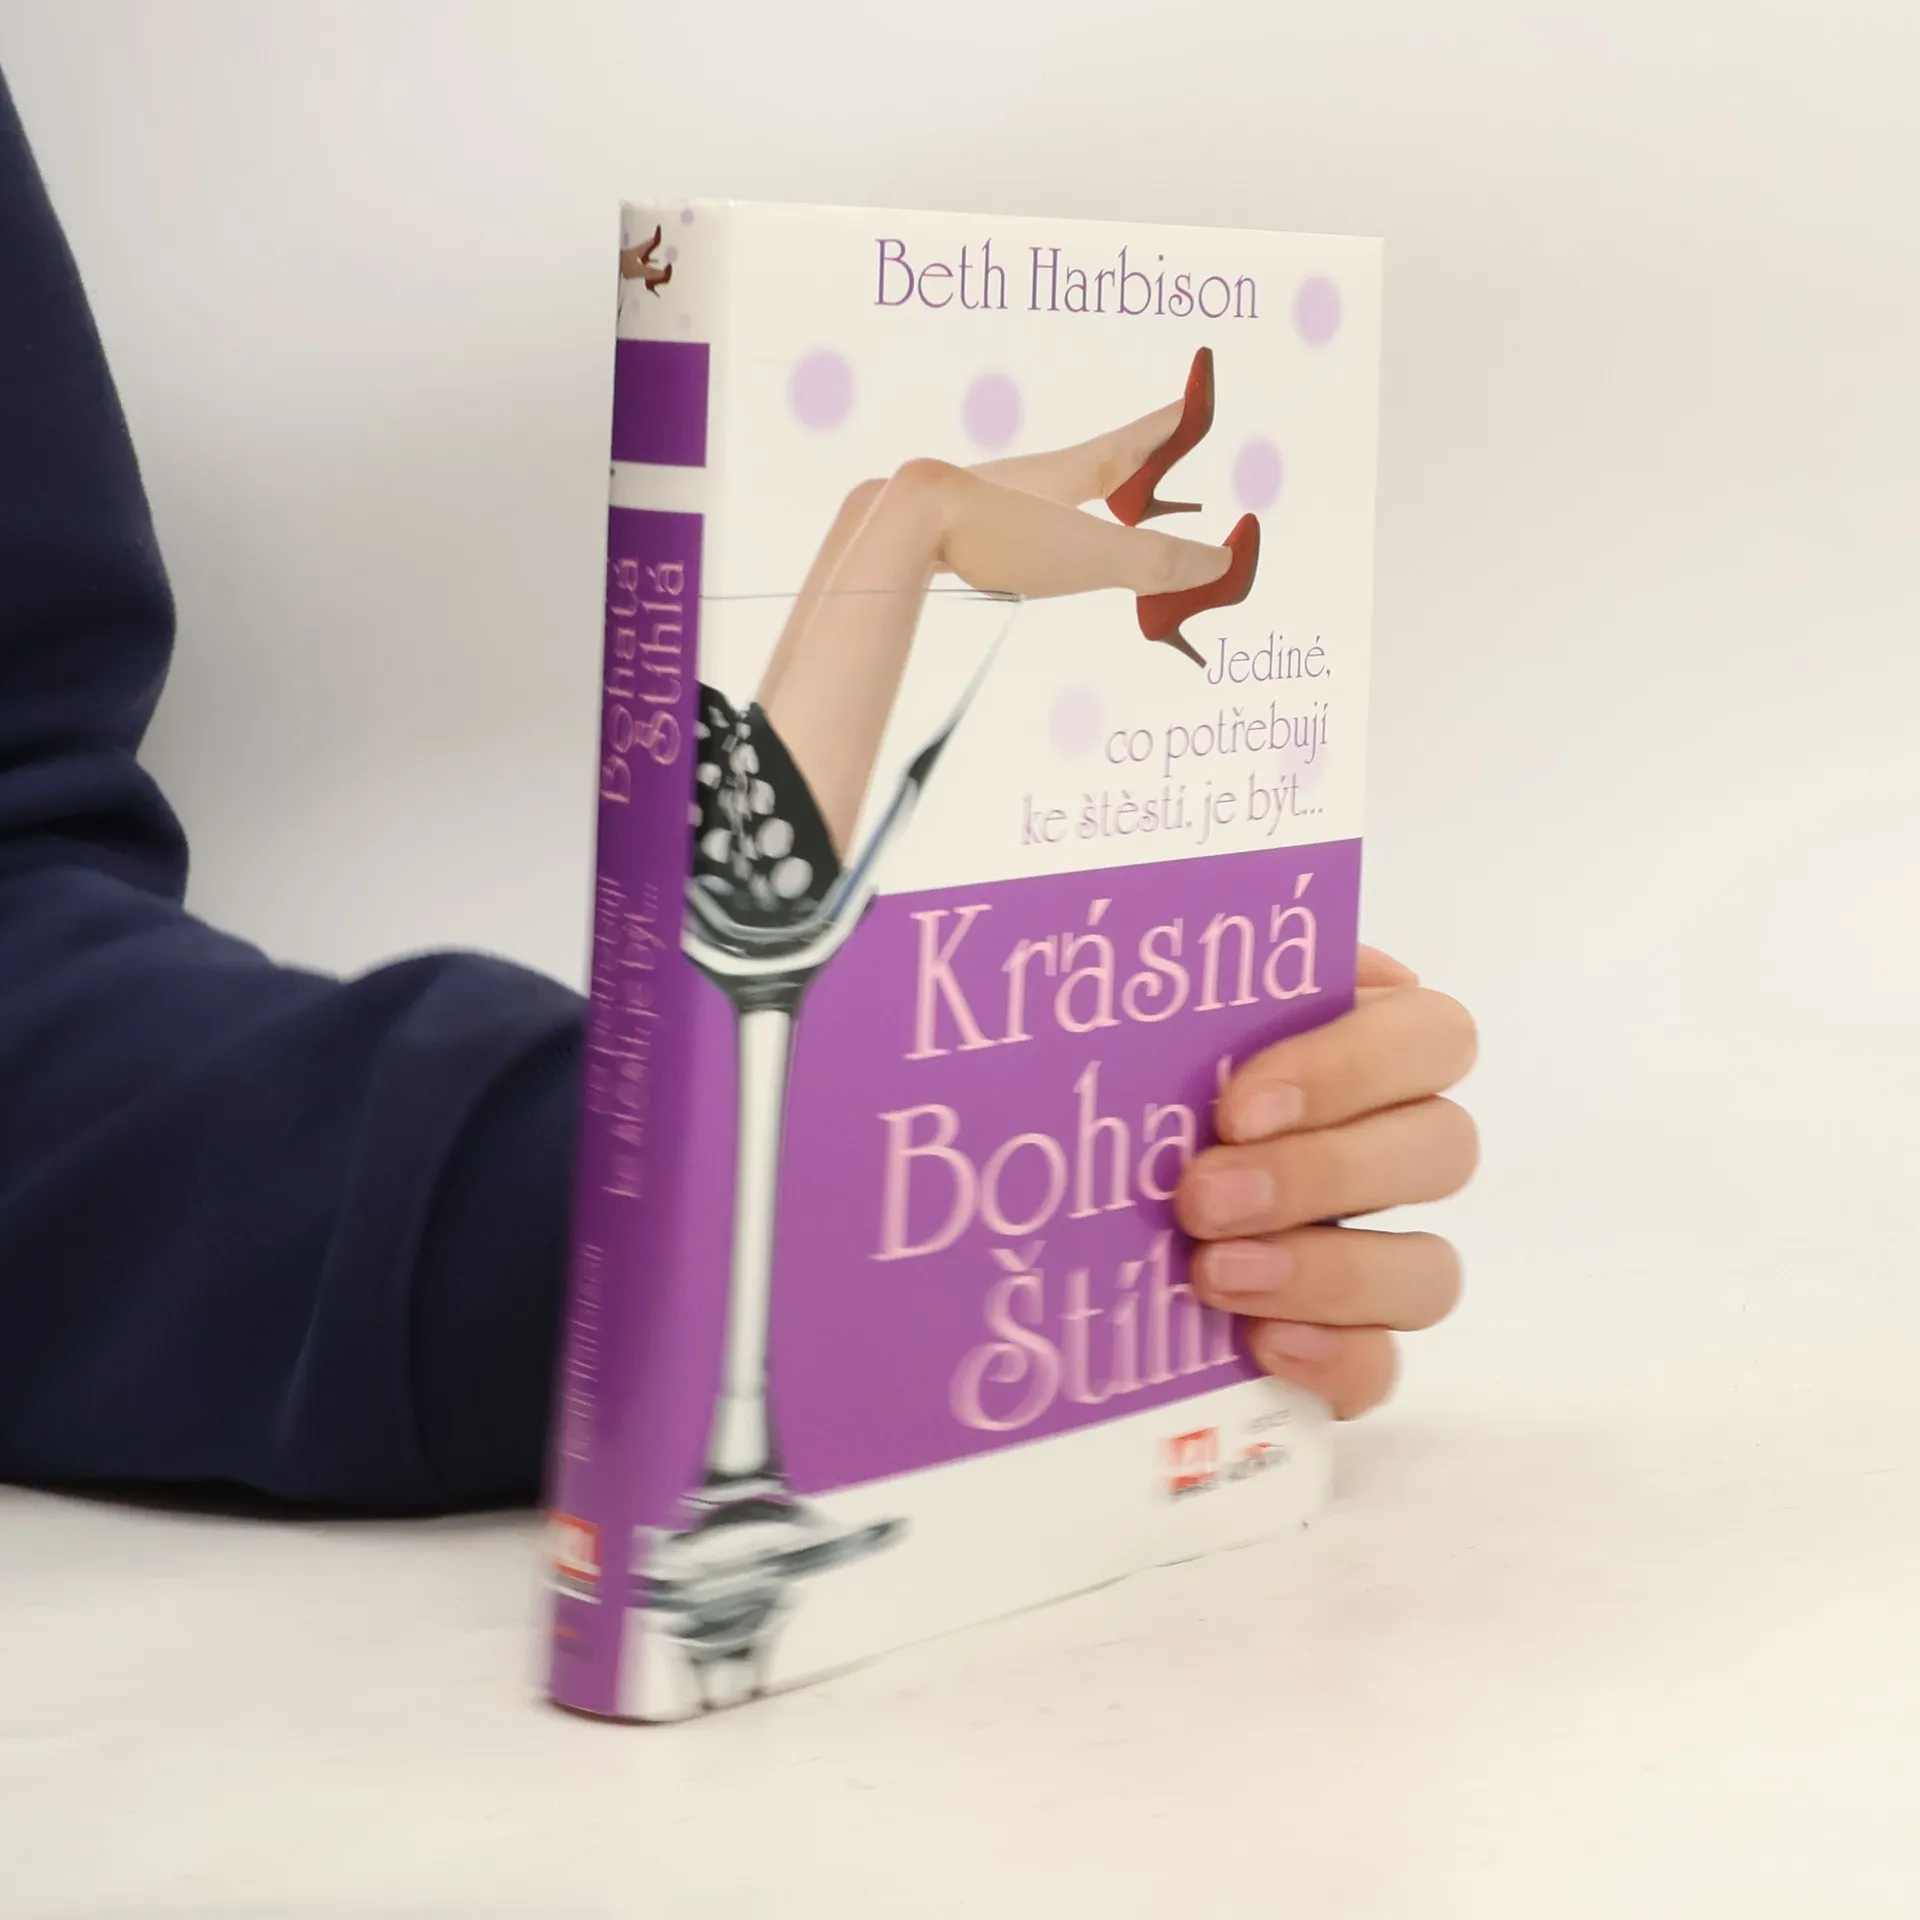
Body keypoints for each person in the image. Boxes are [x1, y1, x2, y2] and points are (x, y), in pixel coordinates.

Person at [0, 69, 1478, 1515]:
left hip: (720, 902)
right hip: (747, 888)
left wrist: (720, 1204)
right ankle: (1172, 561)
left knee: (892, 499)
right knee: (917, 507)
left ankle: (1145, 509)